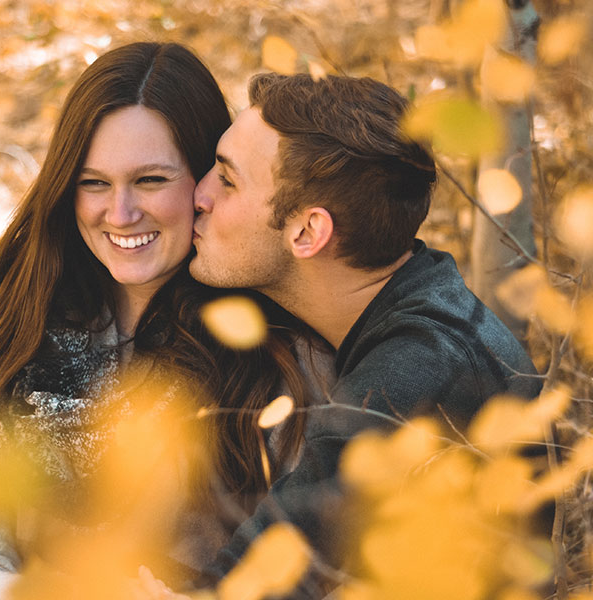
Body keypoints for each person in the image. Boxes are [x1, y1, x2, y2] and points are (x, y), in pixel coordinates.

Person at [0, 43, 328, 600]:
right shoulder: (33, 316)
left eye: (150, 180)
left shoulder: (267, 357)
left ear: (205, 183)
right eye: (94, 183)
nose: (119, 214)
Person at [183, 72, 543, 586]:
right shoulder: (421, 305)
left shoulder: (422, 369)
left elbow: (251, 581)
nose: (198, 195)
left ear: (307, 232)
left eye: (227, 179)